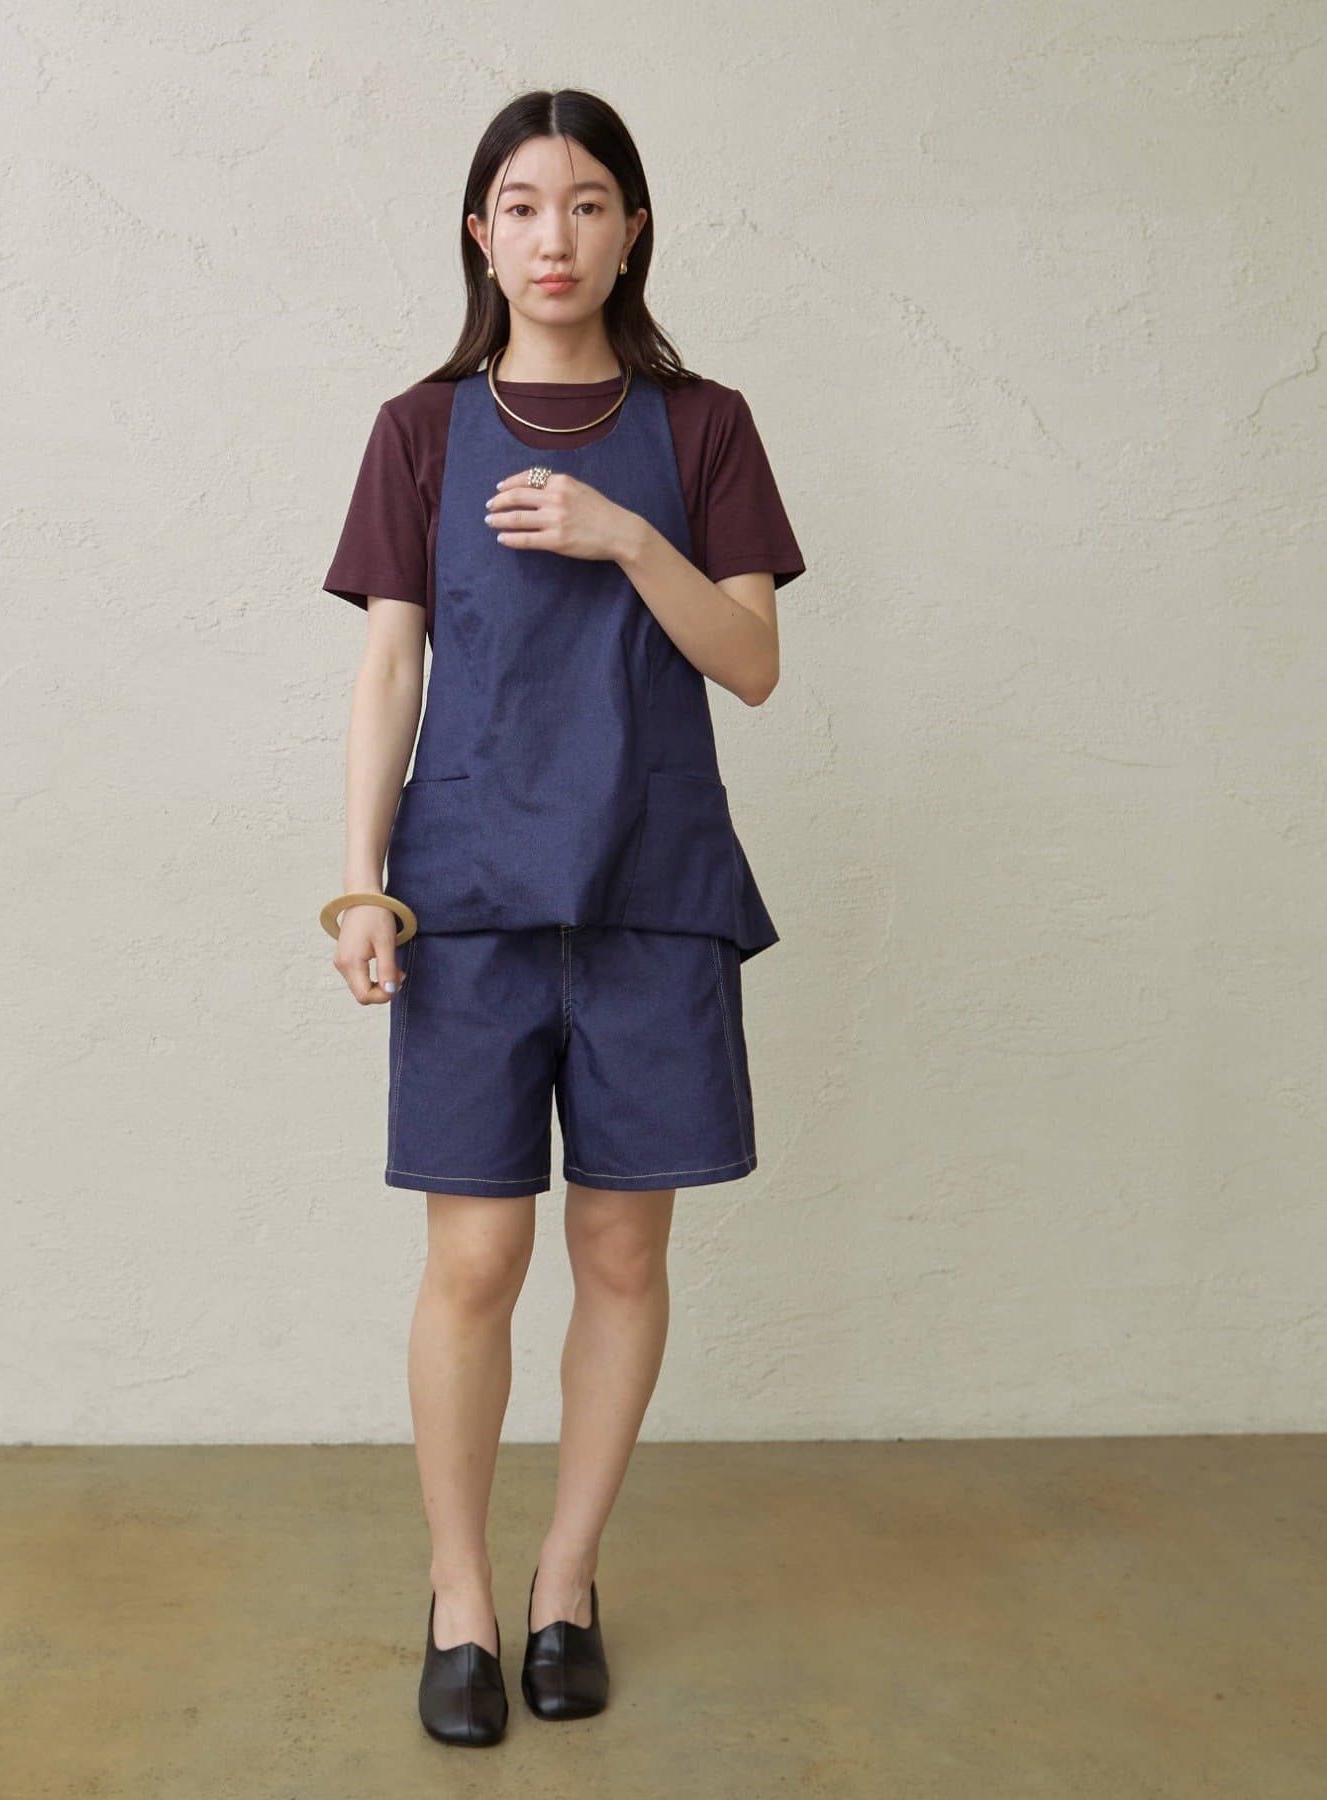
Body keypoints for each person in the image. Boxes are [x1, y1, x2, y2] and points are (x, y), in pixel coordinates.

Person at [319, 88, 805, 1747]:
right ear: (481, 235)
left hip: (653, 886)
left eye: (588, 204)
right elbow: (389, 667)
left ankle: (566, 1580)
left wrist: (623, 536)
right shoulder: (421, 431)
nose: (554, 236)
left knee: (620, 1249)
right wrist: (361, 878)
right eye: (522, 206)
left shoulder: (705, 428)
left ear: (632, 231)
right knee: (476, 1256)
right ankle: (459, 1593)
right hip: (467, 893)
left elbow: (751, 661)